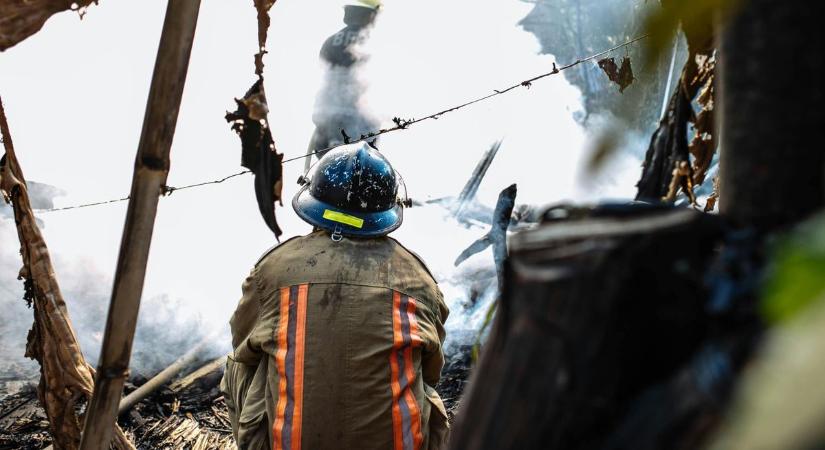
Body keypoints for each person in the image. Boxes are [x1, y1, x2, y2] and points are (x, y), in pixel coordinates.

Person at [221, 143, 450, 450]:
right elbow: (433, 370)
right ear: (388, 209)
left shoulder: (274, 270)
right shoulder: (420, 281)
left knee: (242, 363)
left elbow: (241, 342)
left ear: (315, 201)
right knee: (423, 383)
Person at [306, 0, 382, 172]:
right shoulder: (372, 42)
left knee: (327, 177)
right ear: (370, 14)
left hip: (326, 121)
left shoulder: (330, 41)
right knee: (358, 177)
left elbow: (324, 79)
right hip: (358, 125)